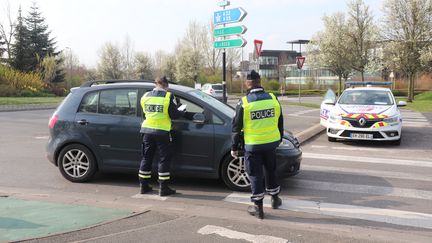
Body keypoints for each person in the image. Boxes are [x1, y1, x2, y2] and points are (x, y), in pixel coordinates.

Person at [231, 70, 284, 219]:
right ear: (260, 81)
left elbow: (235, 127)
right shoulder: (273, 98)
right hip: (271, 144)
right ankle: (275, 199)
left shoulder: (244, 102)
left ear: (247, 83)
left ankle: (258, 208)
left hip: (253, 146)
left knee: (255, 174)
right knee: (271, 170)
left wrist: (234, 147)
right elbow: (280, 121)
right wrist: (278, 139)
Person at [138, 76, 193, 196]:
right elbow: (174, 115)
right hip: (162, 132)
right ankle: (163, 188)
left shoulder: (145, 96)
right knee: (164, 159)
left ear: (155, 84)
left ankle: (143, 186)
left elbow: (145, 112)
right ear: (166, 85)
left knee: (146, 157)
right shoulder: (168, 97)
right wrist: (182, 111)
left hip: (147, 130)